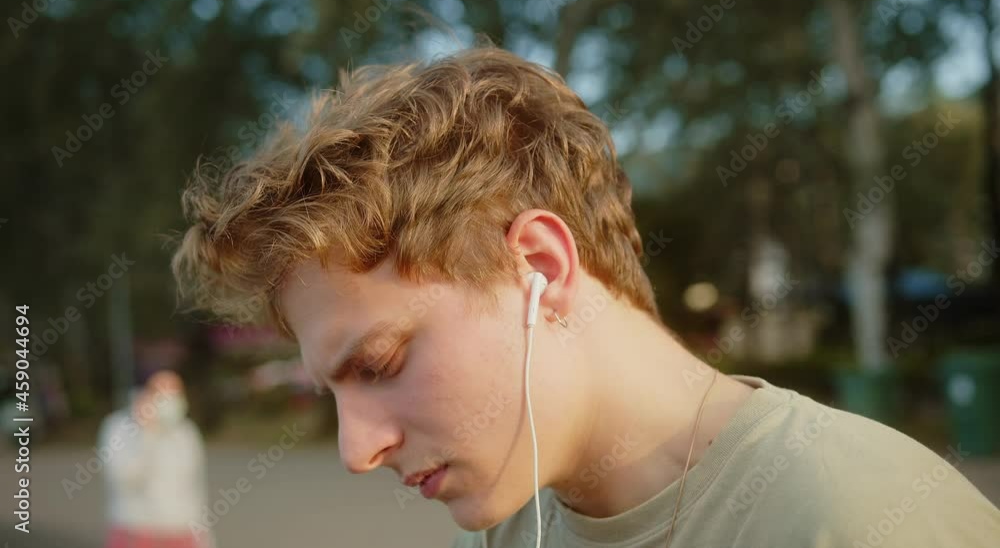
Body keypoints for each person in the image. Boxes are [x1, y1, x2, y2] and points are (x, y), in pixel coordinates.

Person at [170, 46, 1000, 547]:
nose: (356, 450)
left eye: (380, 362)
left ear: (540, 264)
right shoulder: (515, 516)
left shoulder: (856, 520)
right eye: (335, 390)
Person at [102, 370, 214, 548]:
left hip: (182, 533)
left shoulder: (187, 432)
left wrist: (205, 540)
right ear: (145, 394)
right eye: (162, 393)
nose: (170, 400)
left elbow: (196, 488)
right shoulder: (119, 428)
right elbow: (124, 479)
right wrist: (147, 435)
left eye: (175, 393)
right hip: (136, 533)